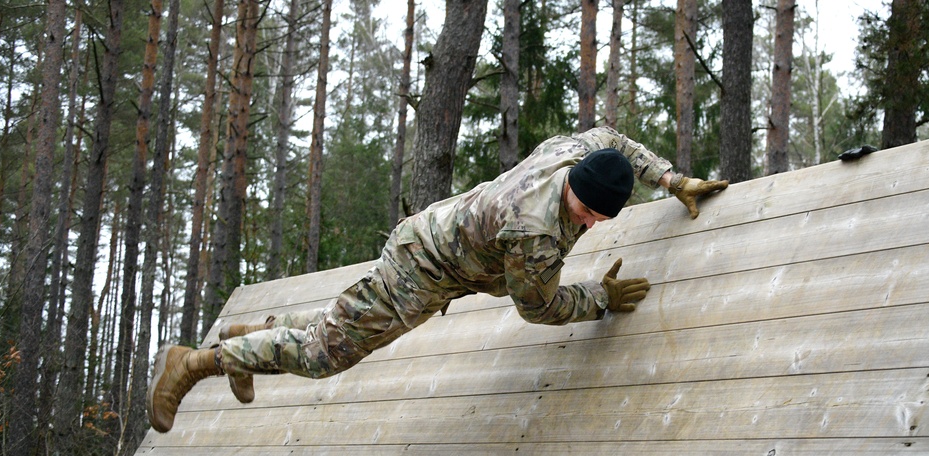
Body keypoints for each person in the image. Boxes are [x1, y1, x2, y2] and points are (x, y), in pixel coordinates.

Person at [147, 127, 727, 433]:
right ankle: (196, 364)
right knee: (329, 353)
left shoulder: (576, 151)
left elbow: (616, 141)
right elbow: (539, 307)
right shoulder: (535, 232)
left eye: (601, 217)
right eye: (588, 211)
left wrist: (671, 179)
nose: (592, 222)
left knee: (340, 327)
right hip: (424, 268)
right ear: (574, 187)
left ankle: (253, 337)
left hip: (434, 244)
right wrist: (599, 297)